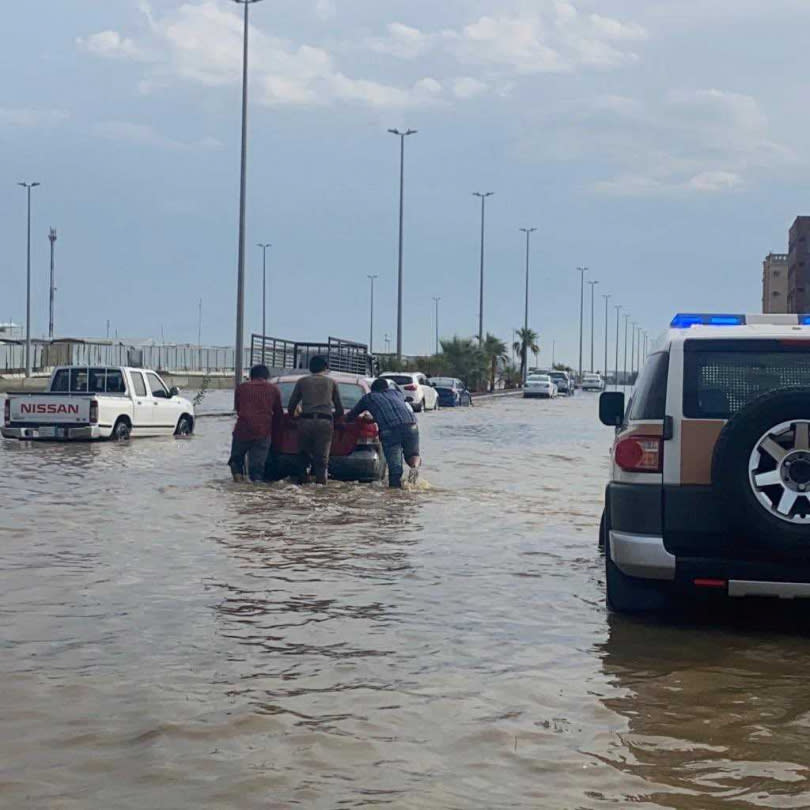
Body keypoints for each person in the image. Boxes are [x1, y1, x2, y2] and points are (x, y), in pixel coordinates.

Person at [345, 378, 421, 488]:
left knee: (395, 467)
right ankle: (414, 467)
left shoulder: (369, 398)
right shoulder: (396, 393)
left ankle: (395, 493)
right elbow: (393, 410)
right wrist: (374, 418)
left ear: (373, 389)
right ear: (386, 388)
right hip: (411, 424)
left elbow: (351, 416)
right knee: (413, 454)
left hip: (390, 429)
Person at [287, 356, 344, 485]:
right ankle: (321, 487)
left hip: (305, 421)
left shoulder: (302, 382)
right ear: (326, 367)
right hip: (325, 422)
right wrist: (331, 416)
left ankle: (302, 484)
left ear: (310, 368)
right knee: (322, 459)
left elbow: (291, 406)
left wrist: (294, 416)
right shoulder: (332, 382)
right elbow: (339, 409)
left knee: (303, 456)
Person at [228, 364, 283, 483]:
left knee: (235, 460)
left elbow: (238, 409)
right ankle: (255, 492)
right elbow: (278, 413)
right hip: (262, 431)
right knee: (257, 467)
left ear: (251, 376)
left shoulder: (242, 388)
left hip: (242, 430)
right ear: (267, 376)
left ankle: (237, 484)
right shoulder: (273, 389)